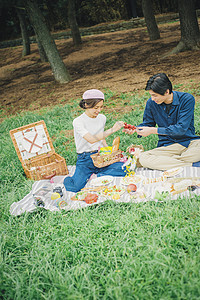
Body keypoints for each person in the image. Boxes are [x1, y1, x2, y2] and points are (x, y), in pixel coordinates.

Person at [124, 73, 200, 170]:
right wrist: (135, 129)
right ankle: (191, 166)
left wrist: (153, 130)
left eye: (155, 95)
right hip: (168, 146)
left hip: (189, 142)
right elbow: (148, 124)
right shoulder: (151, 103)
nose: (152, 98)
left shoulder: (187, 99)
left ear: (166, 91)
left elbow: (181, 129)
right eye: (151, 95)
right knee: (143, 158)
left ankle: (167, 161)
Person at [64, 89, 126, 193]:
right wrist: (113, 129)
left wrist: (108, 151)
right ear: (86, 105)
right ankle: (67, 178)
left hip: (100, 156)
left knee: (125, 169)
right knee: (75, 187)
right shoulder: (78, 121)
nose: (99, 110)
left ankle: (97, 175)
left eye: (101, 107)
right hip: (85, 159)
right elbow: (91, 139)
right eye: (95, 107)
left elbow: (100, 136)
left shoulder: (102, 118)